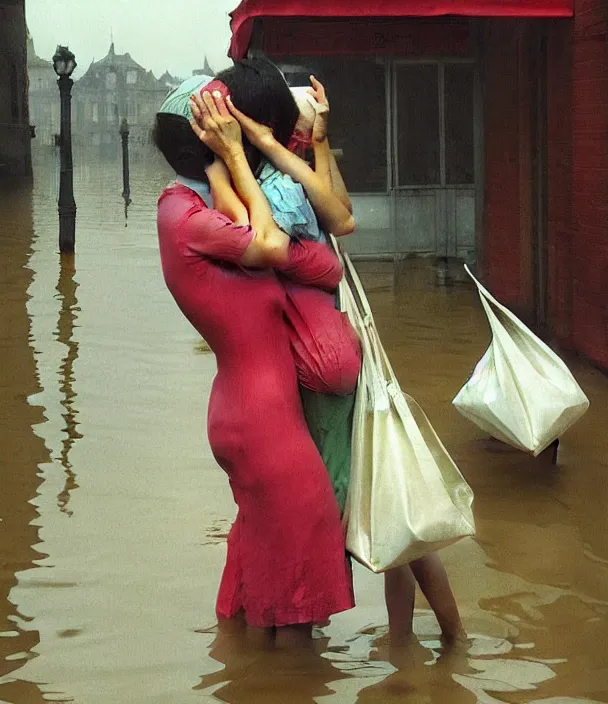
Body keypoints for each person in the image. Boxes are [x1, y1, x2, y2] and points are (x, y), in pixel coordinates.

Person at [189, 61, 468, 648]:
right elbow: (335, 222)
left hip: (319, 368)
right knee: (392, 508)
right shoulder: (289, 173)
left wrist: (235, 159)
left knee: (358, 509)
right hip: (331, 355)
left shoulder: (279, 187)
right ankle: (420, 646)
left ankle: (417, 641)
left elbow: (320, 223)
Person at [153, 72, 355, 649]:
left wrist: (257, 154)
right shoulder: (187, 217)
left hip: (252, 415)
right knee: (299, 603)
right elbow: (278, 247)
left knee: (259, 586)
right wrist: (236, 154)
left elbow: (326, 247)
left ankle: (241, 681)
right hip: (265, 425)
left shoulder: (203, 208)